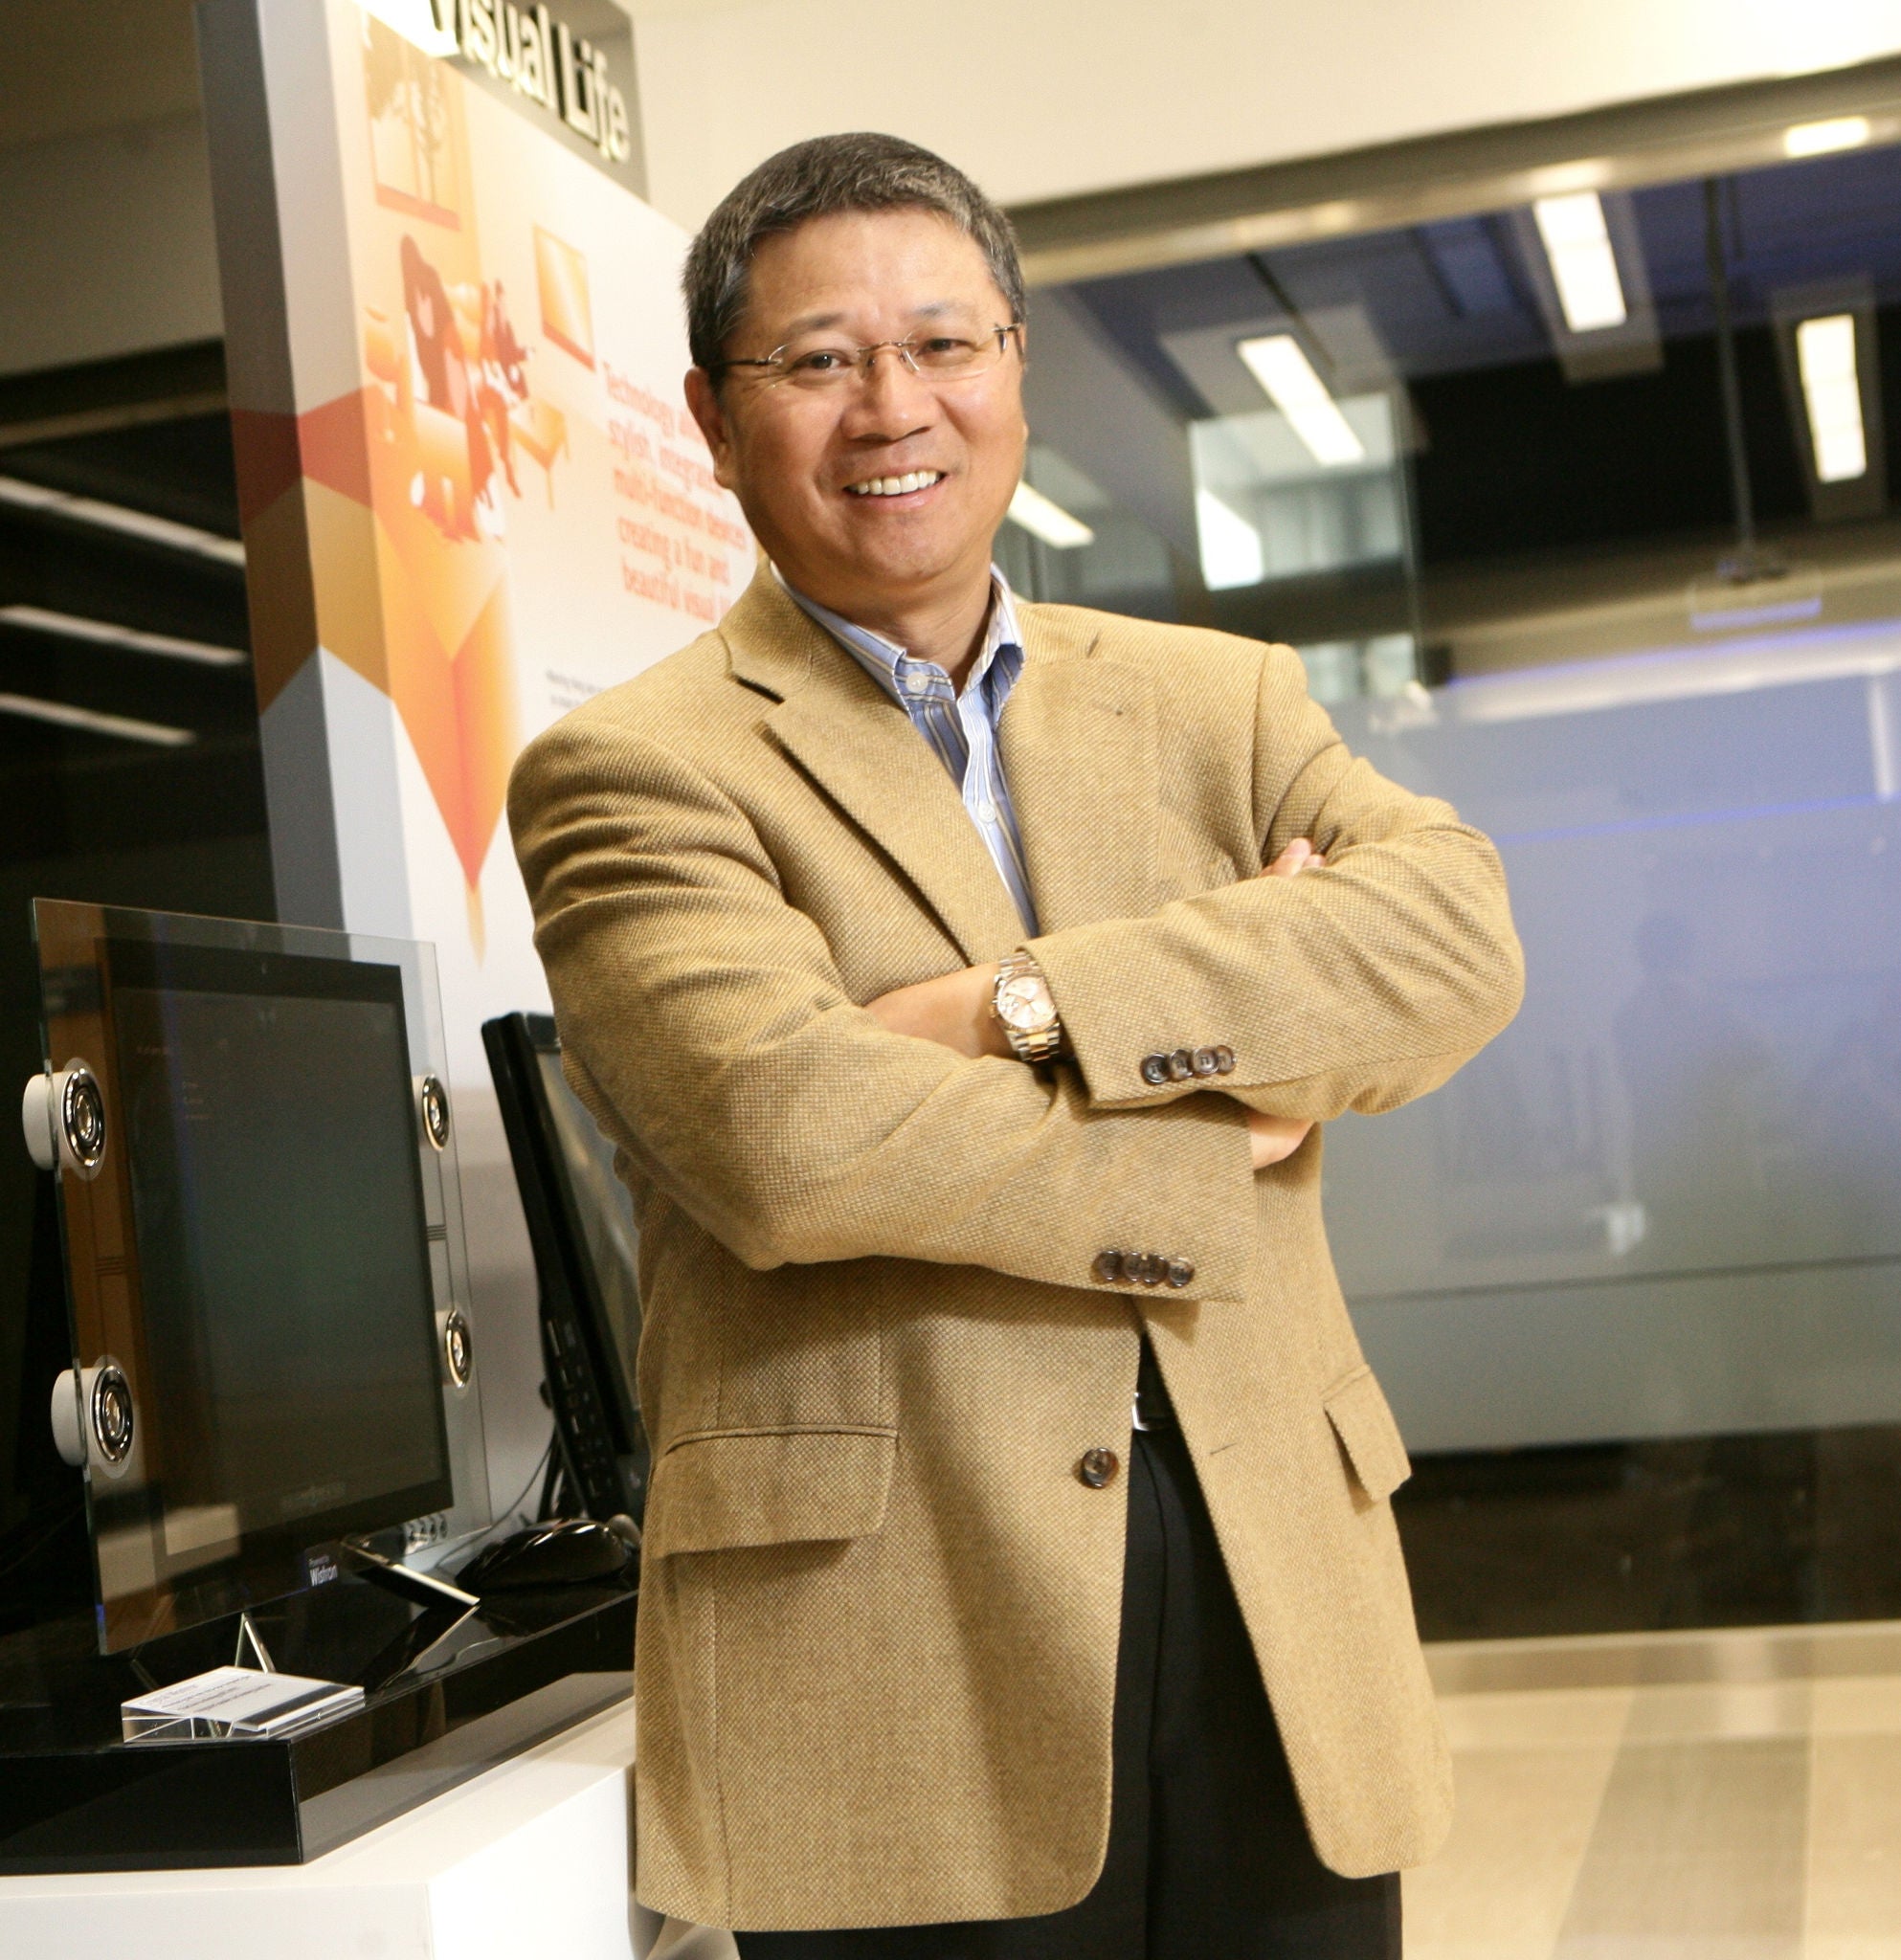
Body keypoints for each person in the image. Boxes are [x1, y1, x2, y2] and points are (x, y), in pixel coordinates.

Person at [508, 133, 1524, 1958]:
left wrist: (1017, 1008)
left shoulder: (1217, 702)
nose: (892, 406)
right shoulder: (635, 769)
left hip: (1275, 1588)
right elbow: (788, 1138)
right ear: (713, 417)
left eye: (942, 344)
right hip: (897, 1636)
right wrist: (1226, 1110)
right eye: (818, 360)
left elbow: (1449, 941)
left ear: (1015, 371)